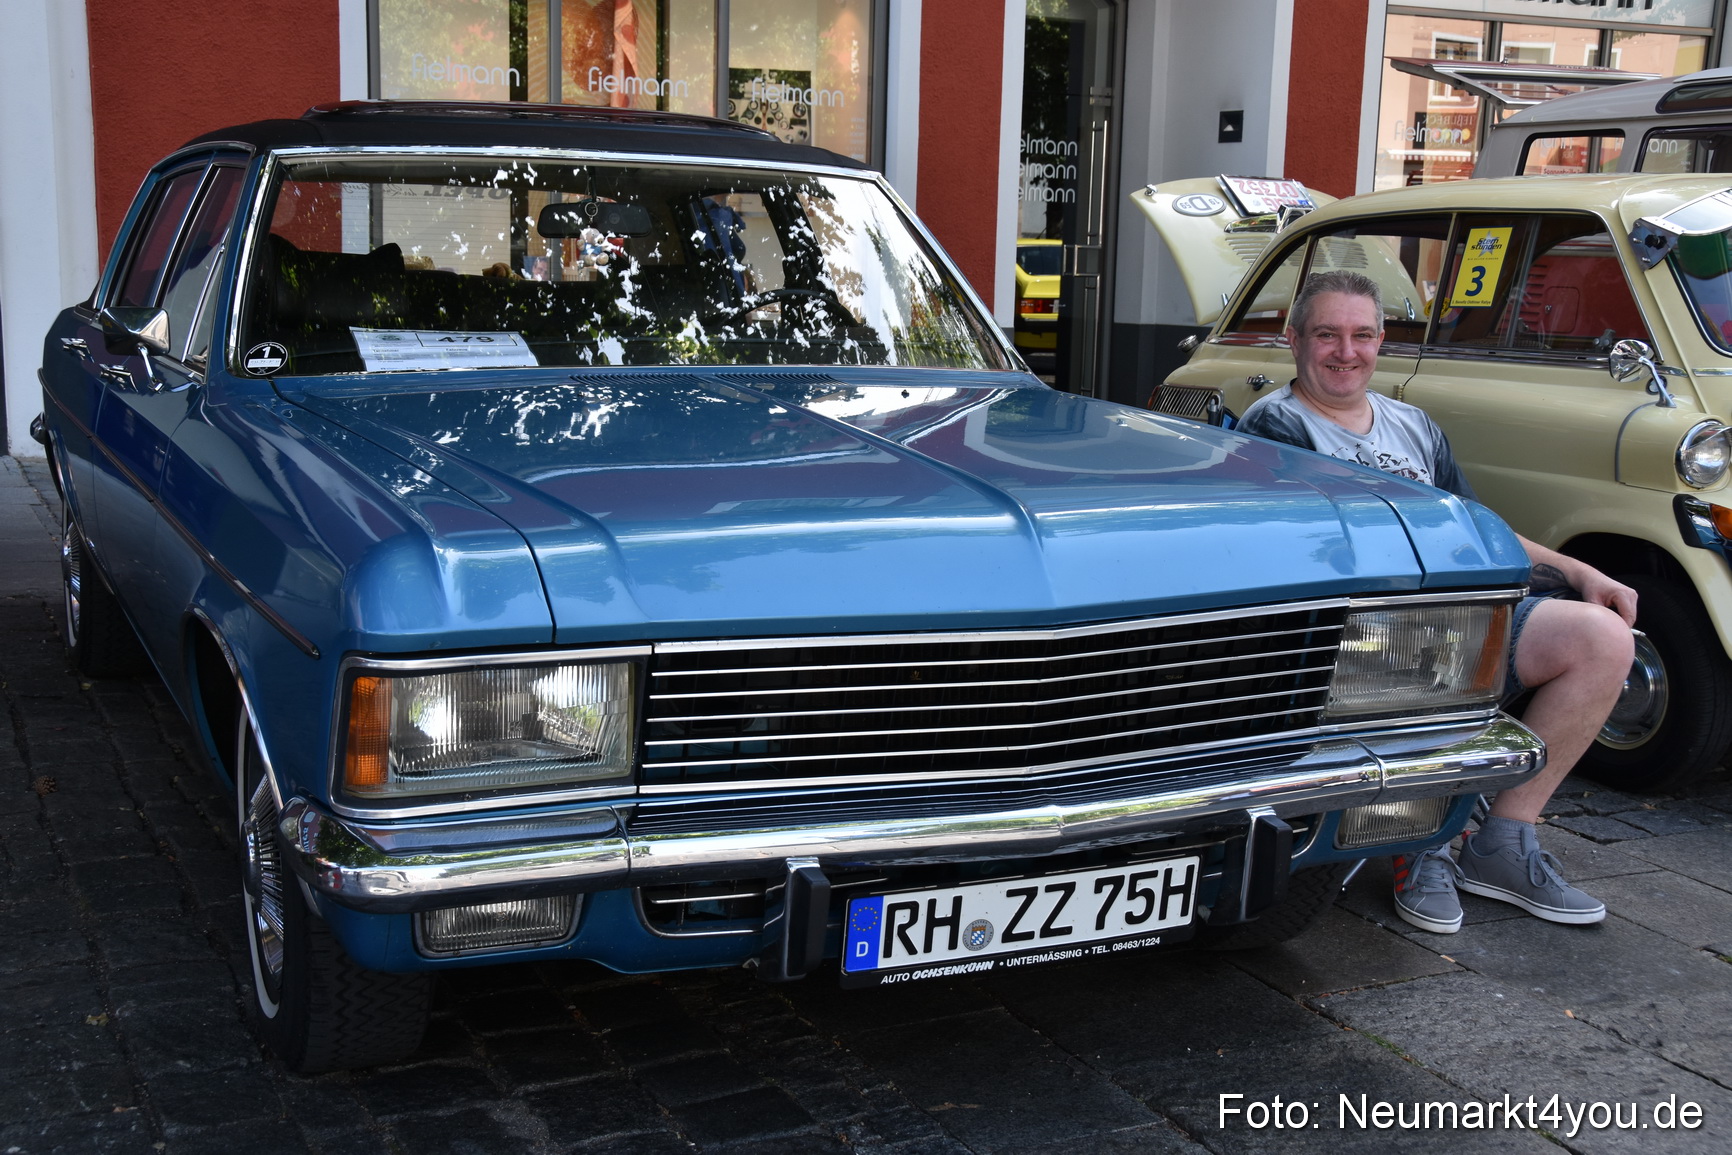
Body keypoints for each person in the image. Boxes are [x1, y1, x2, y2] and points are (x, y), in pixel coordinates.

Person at [1237, 270, 1636, 933]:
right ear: (1295, 340)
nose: (1346, 351)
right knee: (1424, 645)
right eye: (1327, 334)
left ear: (1381, 341)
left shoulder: (1413, 424)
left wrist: (1579, 570)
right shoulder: (1277, 423)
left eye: (1362, 334)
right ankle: (1415, 841)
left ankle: (1503, 840)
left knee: (1603, 639)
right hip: (1367, 640)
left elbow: (1474, 525)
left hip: (1465, 623)